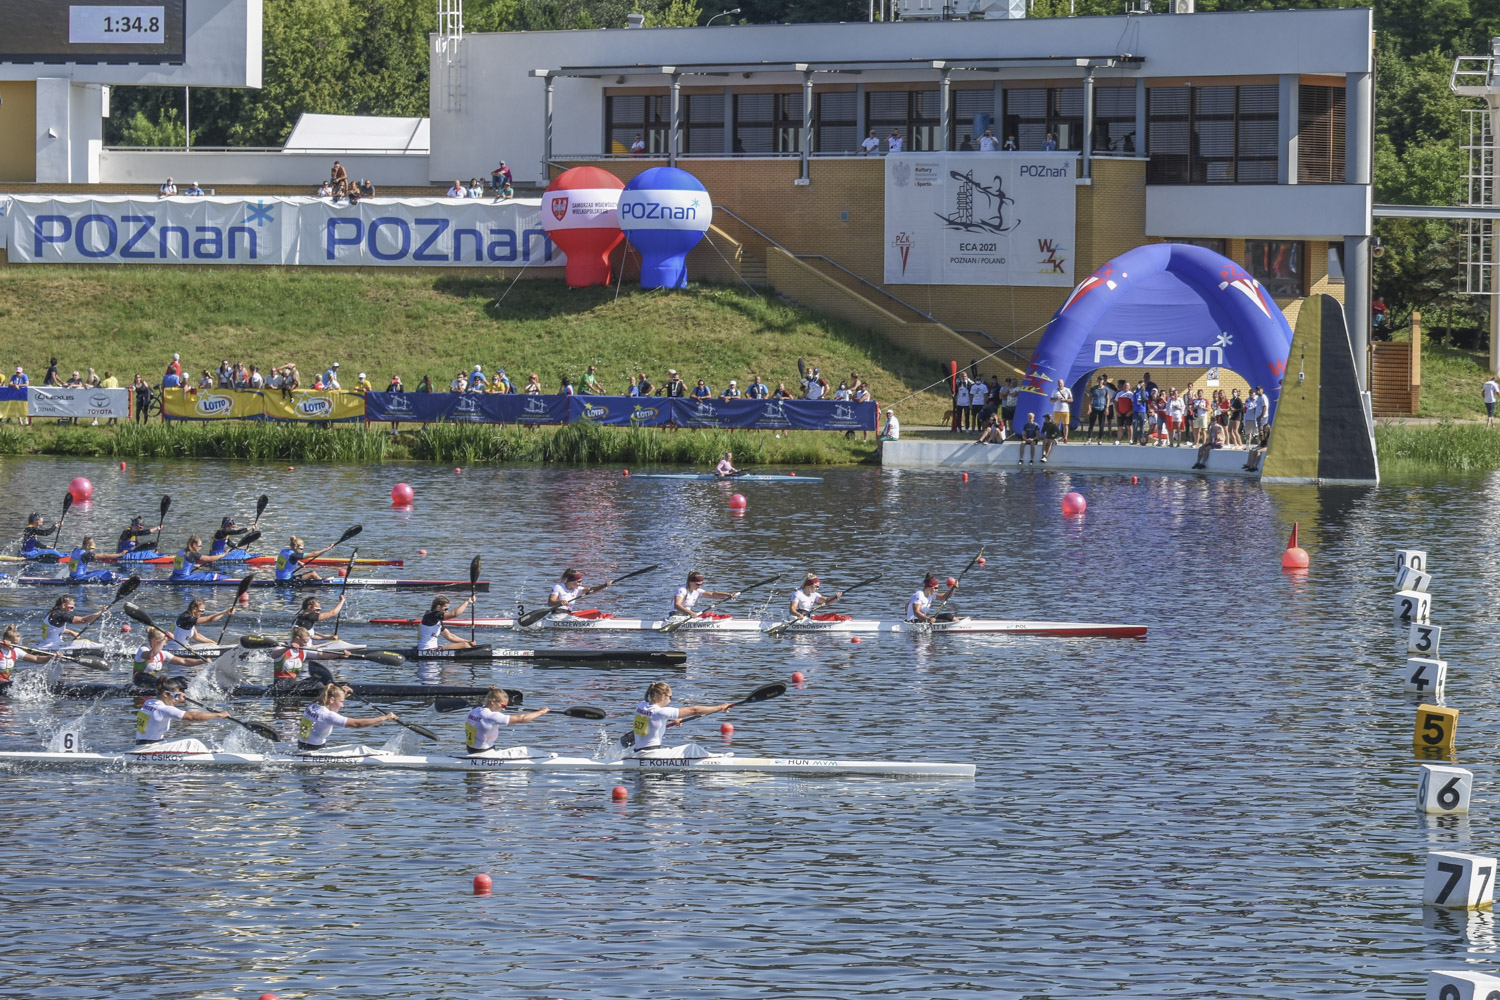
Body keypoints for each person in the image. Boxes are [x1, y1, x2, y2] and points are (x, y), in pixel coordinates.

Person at [630, 681, 732, 751]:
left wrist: (672, 718)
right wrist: (720, 707)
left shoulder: (641, 706)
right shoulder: (661, 712)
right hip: (651, 754)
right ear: (662, 696)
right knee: (692, 749)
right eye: (670, 697)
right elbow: (694, 710)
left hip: (638, 751)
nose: (670, 700)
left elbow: (652, 719)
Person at [297, 682, 396, 751]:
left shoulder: (313, 705)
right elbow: (357, 724)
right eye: (341, 702)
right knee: (359, 748)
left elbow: (326, 698)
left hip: (302, 746)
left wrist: (341, 693)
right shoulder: (328, 715)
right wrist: (385, 718)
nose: (342, 705)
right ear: (331, 700)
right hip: (314, 751)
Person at [135, 676, 227, 744]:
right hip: (151, 748)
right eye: (175, 696)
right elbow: (192, 717)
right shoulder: (164, 709)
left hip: (140, 745)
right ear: (165, 694)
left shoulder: (148, 703)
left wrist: (176, 697)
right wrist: (218, 715)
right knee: (193, 742)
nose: (176, 699)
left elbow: (169, 703)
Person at [464, 687, 549, 753]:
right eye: (503, 706)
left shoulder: (473, 711)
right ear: (493, 701)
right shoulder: (491, 716)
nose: (504, 709)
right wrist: (541, 712)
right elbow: (522, 719)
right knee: (523, 751)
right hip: (484, 753)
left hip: (471, 750)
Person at [132, 627, 208, 682]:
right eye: (163, 641)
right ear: (153, 641)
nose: (165, 643)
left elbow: (184, 661)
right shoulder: (143, 650)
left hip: (152, 684)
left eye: (166, 641)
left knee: (181, 681)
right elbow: (151, 655)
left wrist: (201, 661)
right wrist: (165, 638)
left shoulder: (163, 654)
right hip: (139, 683)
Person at [38, 596, 104, 650]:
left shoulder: (51, 612)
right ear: (64, 605)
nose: (72, 610)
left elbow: (53, 629)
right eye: (71, 607)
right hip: (52, 646)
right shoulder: (60, 615)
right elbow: (83, 620)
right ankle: (104, 648)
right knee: (85, 643)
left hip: (45, 644)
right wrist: (100, 612)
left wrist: (71, 632)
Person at [668, 571, 736, 621]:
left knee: (711, 614)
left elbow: (713, 594)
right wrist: (691, 613)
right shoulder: (682, 590)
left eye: (701, 584)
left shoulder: (697, 591)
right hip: (676, 616)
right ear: (690, 582)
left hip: (687, 616)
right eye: (697, 584)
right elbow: (677, 605)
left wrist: (728, 595)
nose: (700, 586)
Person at [275, 535, 339, 582]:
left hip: (279, 579)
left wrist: (298, 562)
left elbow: (286, 561)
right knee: (312, 574)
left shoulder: (284, 551)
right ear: (295, 547)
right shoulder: (295, 556)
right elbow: (314, 554)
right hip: (287, 581)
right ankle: (323, 583)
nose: (302, 551)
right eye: (301, 549)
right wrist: (327, 549)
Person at [548, 568, 614, 612]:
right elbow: (550, 602)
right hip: (557, 615)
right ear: (571, 581)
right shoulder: (558, 587)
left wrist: (604, 585)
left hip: (568, 614)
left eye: (581, 581)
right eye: (579, 581)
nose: (581, 584)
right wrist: (560, 602)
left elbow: (591, 590)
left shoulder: (577, 589)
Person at [1088, 376, 1111, 442]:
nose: (1100, 381)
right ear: (1097, 380)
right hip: (1094, 407)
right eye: (1099, 380)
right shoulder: (1093, 388)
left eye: (1101, 380)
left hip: (1102, 408)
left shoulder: (1106, 389)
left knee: (1101, 424)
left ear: (1103, 381)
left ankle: (1100, 439)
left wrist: (1107, 407)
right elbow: (1090, 398)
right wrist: (1089, 407)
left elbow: (1108, 398)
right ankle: (1089, 439)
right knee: (1091, 424)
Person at [1049, 377, 1073, 443]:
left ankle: (1065, 437)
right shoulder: (1055, 391)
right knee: (1056, 424)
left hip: (1065, 410)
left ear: (1063, 383)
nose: (1060, 384)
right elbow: (1051, 400)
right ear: (1057, 384)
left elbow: (1071, 399)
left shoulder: (1067, 390)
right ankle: (1056, 437)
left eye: (1061, 383)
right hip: (1057, 410)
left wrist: (1064, 400)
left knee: (1065, 425)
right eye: (1059, 383)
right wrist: (1057, 399)